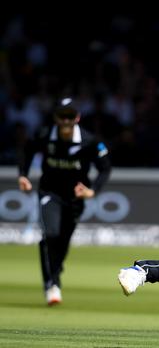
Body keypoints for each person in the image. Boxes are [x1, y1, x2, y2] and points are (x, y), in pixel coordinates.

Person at [18, 98, 112, 306]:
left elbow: (105, 167)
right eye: (62, 116)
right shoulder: (44, 135)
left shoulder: (90, 140)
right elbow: (27, 150)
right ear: (56, 118)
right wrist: (23, 175)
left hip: (75, 197)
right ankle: (53, 284)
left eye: (70, 116)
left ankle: (54, 270)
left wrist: (92, 191)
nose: (66, 121)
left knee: (62, 241)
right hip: (50, 192)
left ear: (77, 118)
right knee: (50, 234)